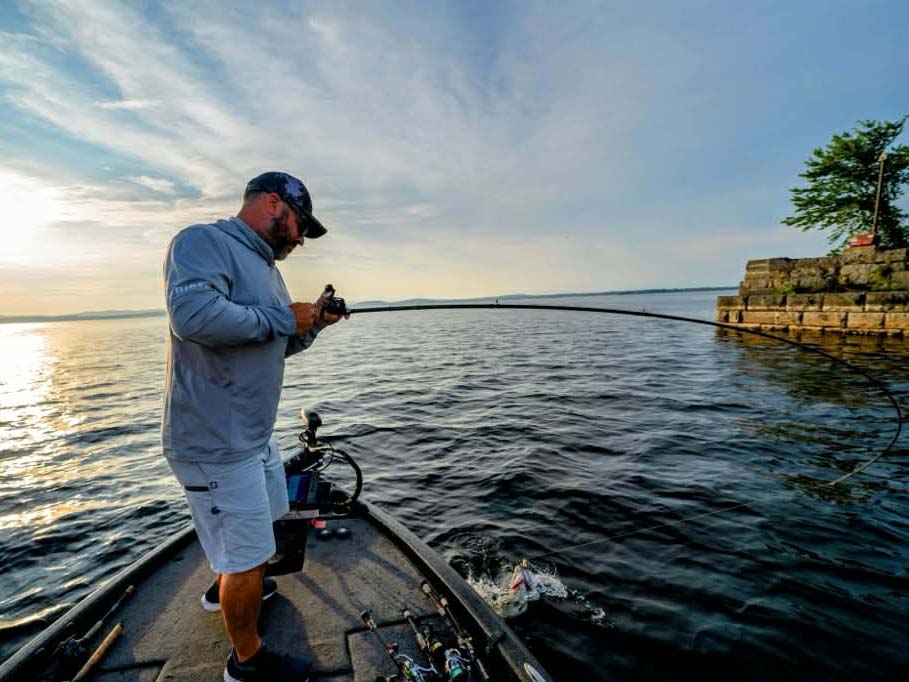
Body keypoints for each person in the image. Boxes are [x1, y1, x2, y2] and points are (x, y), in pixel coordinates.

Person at [162, 171, 342, 682]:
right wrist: (286, 319)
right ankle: (246, 662)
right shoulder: (203, 242)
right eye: (301, 225)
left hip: (253, 437)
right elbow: (194, 317)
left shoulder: (268, 272)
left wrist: (312, 325)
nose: (301, 239)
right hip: (215, 443)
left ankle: (227, 588)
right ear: (273, 205)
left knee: (265, 523)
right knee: (245, 554)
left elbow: (274, 342)